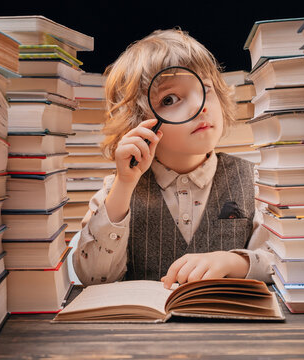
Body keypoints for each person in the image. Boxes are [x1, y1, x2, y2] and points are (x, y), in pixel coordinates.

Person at [73, 28, 275, 289]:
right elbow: (92, 277)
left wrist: (236, 263)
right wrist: (124, 185)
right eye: (170, 99)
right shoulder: (117, 190)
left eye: (206, 89)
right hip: (142, 327)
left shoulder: (256, 182)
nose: (199, 106)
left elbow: (283, 261)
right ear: (139, 123)